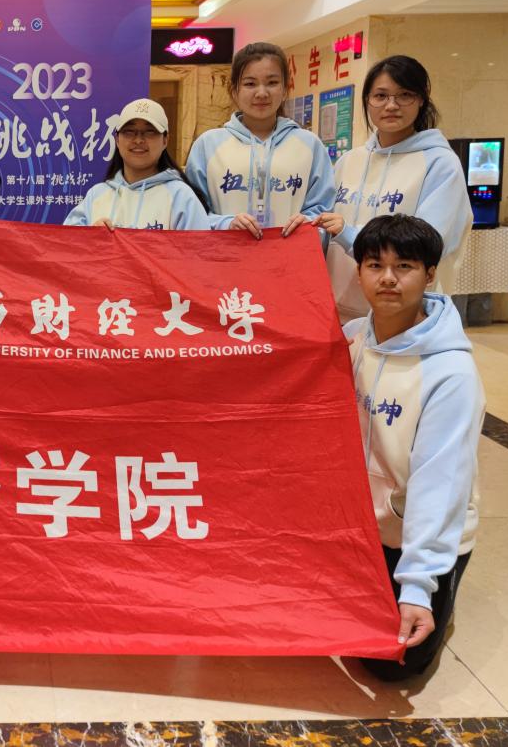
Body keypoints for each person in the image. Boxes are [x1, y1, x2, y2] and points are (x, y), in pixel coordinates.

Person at [344, 214, 482, 682]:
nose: (388, 278)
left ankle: (444, 582)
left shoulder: (451, 374)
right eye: (374, 265)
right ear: (358, 272)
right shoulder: (353, 340)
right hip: (363, 526)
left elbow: (439, 485)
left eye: (404, 266)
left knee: (391, 663)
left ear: (430, 274)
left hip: (417, 532)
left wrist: (418, 587)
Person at [314, 55, 471, 321]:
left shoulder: (440, 164)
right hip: (336, 310)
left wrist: (348, 234)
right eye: (381, 96)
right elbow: (325, 229)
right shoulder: (349, 161)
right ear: (367, 101)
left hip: (401, 315)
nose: (391, 105)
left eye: (405, 95)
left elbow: (428, 245)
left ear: (421, 99)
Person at [185, 41, 334, 241]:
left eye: (272, 82)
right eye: (250, 84)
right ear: (234, 90)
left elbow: (324, 211)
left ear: (285, 88)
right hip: (227, 256)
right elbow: (193, 214)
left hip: (289, 256)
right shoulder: (208, 145)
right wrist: (225, 223)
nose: (262, 93)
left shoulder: (309, 145)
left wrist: (307, 222)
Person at [64, 98, 209, 230]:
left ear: (165, 140)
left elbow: (198, 248)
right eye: (129, 131)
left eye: (150, 132)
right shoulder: (96, 195)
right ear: (117, 140)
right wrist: (90, 236)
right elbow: (69, 244)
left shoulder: (181, 196)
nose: (138, 140)